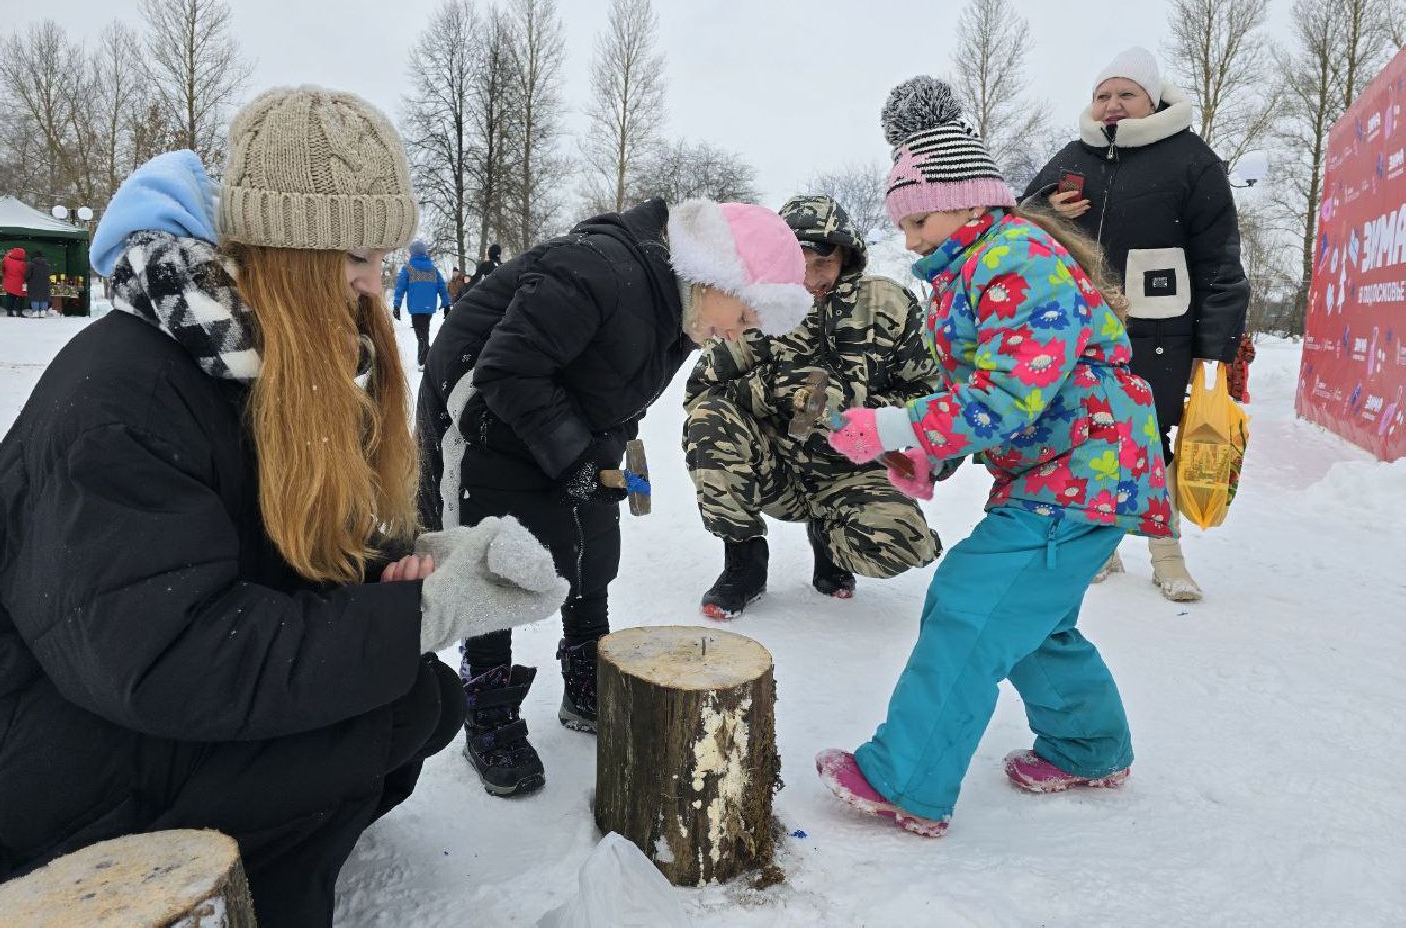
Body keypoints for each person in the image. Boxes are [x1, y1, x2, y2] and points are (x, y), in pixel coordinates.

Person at [0, 89, 567, 926]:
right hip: (28, 757)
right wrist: (416, 616)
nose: (376, 285)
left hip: (112, 707)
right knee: (368, 724)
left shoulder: (257, 360)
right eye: (356, 257)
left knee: (420, 702)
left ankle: (274, 855)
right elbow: (170, 657)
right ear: (288, 253)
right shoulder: (128, 394)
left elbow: (265, 548)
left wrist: (411, 566)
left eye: (382, 256)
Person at [815, 76, 1170, 839]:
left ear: (970, 201)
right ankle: (1087, 747)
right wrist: (924, 456)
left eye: (919, 220)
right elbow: (975, 394)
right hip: (1070, 474)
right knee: (1030, 623)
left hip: (1080, 474)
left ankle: (906, 779)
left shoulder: (1016, 258)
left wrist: (893, 425)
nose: (910, 240)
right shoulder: (972, 270)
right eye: (902, 225)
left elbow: (1012, 391)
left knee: (969, 607)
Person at [417, 197, 812, 796]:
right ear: (717, 275)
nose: (736, 333)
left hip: (562, 413)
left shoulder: (681, 309)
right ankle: (488, 703)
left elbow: (616, 387)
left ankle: (584, 676)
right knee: (495, 556)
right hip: (483, 415)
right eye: (743, 315)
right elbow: (508, 369)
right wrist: (573, 454)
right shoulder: (598, 271)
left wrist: (604, 455)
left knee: (592, 540)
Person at [1022, 47, 1249, 601]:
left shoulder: (1192, 159)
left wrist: (1215, 347)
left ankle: (1167, 555)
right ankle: (1101, 546)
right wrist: (1046, 208)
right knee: (1088, 433)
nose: (1112, 105)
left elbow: (1219, 258)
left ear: (1152, 99)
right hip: (1083, 327)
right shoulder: (1074, 156)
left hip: (1162, 328)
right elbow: (1020, 220)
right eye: (1103, 95)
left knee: (1151, 435)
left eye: (1126, 94)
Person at [685, 194, 943, 618]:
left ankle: (831, 542)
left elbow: (930, 393)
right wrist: (770, 387)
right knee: (709, 423)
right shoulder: (753, 307)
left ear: (847, 259)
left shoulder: (889, 305)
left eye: (823, 263)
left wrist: (860, 410)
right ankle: (745, 560)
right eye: (799, 263)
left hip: (855, 471)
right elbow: (701, 395)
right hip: (777, 468)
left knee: (898, 543)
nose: (810, 278)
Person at [393, 238, 452, 369]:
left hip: (416, 308)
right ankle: (426, 358)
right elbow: (442, 287)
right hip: (429, 308)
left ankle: (425, 360)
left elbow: (400, 288)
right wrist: (446, 304)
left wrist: (397, 305)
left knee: (422, 335)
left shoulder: (408, 269)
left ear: (413, 253)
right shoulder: (433, 269)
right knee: (423, 332)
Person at [0, 246, 27, 317]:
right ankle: (19, 312)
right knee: (21, 298)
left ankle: (9, 312)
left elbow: (0, 267)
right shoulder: (22, 264)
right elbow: (25, 274)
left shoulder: (6, 260)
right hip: (21, 284)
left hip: (8, 283)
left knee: (10, 298)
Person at [24, 249, 52, 318]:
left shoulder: (30, 264)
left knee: (35, 298)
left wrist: (27, 280)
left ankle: (35, 312)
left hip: (33, 284)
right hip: (45, 285)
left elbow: (27, 275)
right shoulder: (47, 265)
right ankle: (43, 312)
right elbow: (49, 275)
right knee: (44, 297)